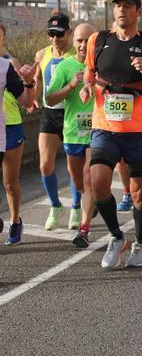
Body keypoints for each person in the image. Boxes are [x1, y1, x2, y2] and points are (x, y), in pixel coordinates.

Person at [81, 0, 142, 268]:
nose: (122, 10)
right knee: (97, 183)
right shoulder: (98, 41)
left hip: (139, 130)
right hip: (104, 126)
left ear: (139, 11)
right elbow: (90, 75)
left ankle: (141, 243)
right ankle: (115, 235)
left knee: (139, 193)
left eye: (128, 6)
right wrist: (87, 86)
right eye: (118, 6)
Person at [46, 23, 98, 246]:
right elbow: (49, 99)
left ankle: (84, 229)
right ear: (73, 41)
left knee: (88, 177)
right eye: (79, 40)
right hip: (72, 133)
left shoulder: (102, 65)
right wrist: (70, 86)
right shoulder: (65, 67)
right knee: (77, 179)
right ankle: (91, 201)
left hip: (97, 132)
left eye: (88, 39)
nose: (83, 44)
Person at [34, 13, 75, 230]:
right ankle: (55, 206)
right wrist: (33, 98)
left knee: (73, 166)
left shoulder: (76, 55)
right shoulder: (41, 54)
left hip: (71, 114)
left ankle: (76, 207)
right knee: (45, 164)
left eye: (59, 34)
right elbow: (37, 79)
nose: (55, 38)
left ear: (68, 33)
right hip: (49, 114)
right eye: (51, 34)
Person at [0, 21, 37, 245]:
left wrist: (29, 81)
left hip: (10, 129)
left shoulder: (6, 66)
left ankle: (14, 221)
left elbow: (27, 101)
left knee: (9, 183)